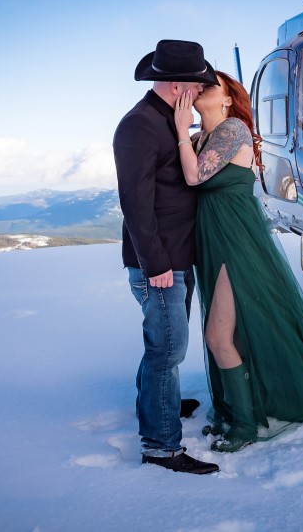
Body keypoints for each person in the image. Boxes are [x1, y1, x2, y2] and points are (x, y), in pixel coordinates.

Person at [173, 70, 303, 453]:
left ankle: (243, 426)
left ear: (227, 98)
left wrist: (177, 129)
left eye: (209, 85)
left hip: (237, 242)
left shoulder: (233, 129)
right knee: (237, 331)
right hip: (214, 240)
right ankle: (240, 411)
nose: (200, 89)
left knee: (217, 334)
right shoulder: (200, 138)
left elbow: (193, 177)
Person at [113, 39, 220, 475]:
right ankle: (160, 446)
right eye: (195, 86)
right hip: (159, 264)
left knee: (165, 346)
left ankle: (163, 403)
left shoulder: (167, 121)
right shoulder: (139, 126)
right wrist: (156, 265)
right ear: (178, 87)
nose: (199, 93)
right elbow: (135, 204)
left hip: (178, 255)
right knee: (168, 350)